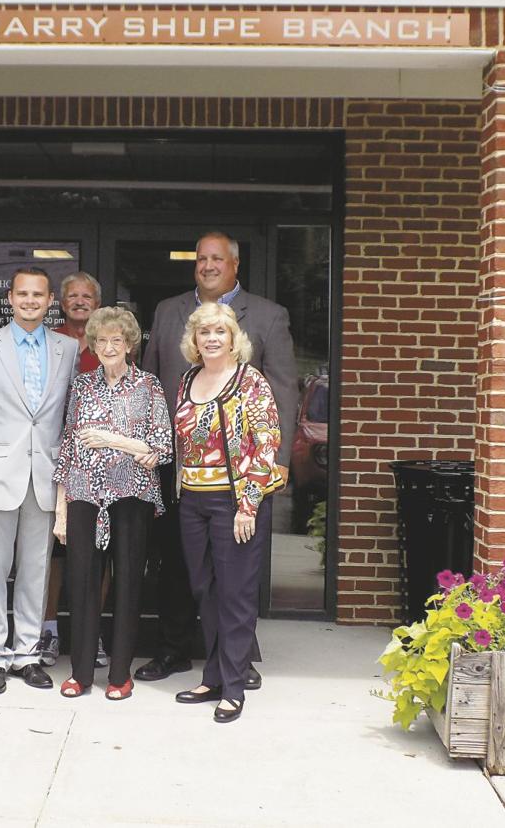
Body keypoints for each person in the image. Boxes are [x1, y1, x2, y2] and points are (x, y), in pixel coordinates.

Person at [137, 231, 299, 687]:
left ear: (234, 264)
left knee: (234, 573)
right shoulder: (170, 311)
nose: (207, 265)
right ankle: (172, 648)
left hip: (240, 470)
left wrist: (279, 460)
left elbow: (284, 389)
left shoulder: (268, 315)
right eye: (201, 259)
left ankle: (236, 662)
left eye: (217, 259)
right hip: (178, 466)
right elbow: (152, 385)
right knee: (178, 564)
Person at [0, 267, 79, 695]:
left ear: (49, 301)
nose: (30, 300)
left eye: (38, 294)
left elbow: (67, 417)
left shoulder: (68, 348)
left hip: (45, 475)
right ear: (11, 298)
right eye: (22, 294)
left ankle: (26, 654)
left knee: (36, 570)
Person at [51, 307, 172, 700]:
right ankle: (80, 674)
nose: (107, 347)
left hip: (132, 496)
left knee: (127, 585)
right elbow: (68, 447)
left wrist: (111, 440)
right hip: (85, 493)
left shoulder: (149, 386)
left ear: (130, 344)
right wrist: (61, 511)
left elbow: (162, 448)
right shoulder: (82, 386)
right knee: (83, 583)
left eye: (116, 341)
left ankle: (120, 674)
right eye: (101, 340)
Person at [172, 303, 284, 723]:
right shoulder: (188, 379)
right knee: (205, 590)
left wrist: (248, 504)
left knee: (236, 595)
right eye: (204, 332)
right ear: (195, 340)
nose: (212, 338)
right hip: (193, 500)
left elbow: (266, 442)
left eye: (220, 331)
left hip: (234, 502)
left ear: (234, 337)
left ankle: (234, 688)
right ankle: (213, 676)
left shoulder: (250, 382)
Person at [39, 270, 106, 669]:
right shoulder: (50, 342)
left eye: (87, 296)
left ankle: (92, 633)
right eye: (73, 296)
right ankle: (48, 630)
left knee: (100, 551)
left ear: (97, 303)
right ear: (61, 303)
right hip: (57, 461)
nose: (80, 301)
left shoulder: (108, 342)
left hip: (102, 463)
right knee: (56, 553)